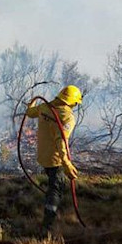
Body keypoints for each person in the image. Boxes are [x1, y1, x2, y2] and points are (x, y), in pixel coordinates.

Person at [26, 85, 82, 232]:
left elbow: (30, 113)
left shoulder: (45, 107)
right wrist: (66, 163)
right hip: (55, 159)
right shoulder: (67, 116)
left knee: (53, 184)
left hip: (42, 155)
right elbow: (61, 140)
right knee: (56, 188)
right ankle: (48, 224)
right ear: (73, 102)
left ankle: (51, 206)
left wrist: (31, 103)